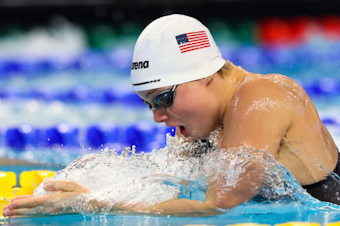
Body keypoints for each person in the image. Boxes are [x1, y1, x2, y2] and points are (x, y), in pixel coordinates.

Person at [3, 14, 340, 217]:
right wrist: (84, 188)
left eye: (164, 98)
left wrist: (96, 203)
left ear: (205, 73)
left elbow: (217, 205)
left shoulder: (259, 97)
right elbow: (157, 178)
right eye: (151, 104)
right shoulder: (206, 125)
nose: (158, 117)